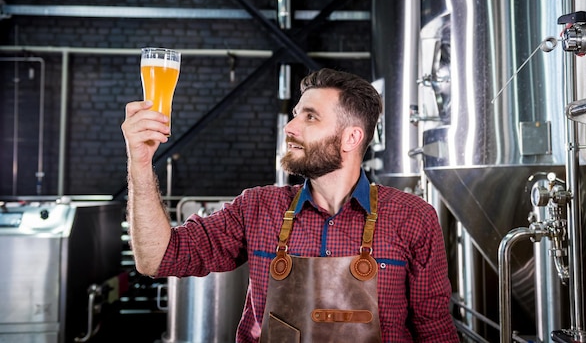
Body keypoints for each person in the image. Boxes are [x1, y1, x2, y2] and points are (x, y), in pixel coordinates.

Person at [122, 68, 459, 342]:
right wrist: (139, 162)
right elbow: (158, 258)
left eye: (310, 117)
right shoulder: (257, 208)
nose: (291, 127)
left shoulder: (412, 217)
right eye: (296, 114)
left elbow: (435, 330)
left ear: (351, 138)